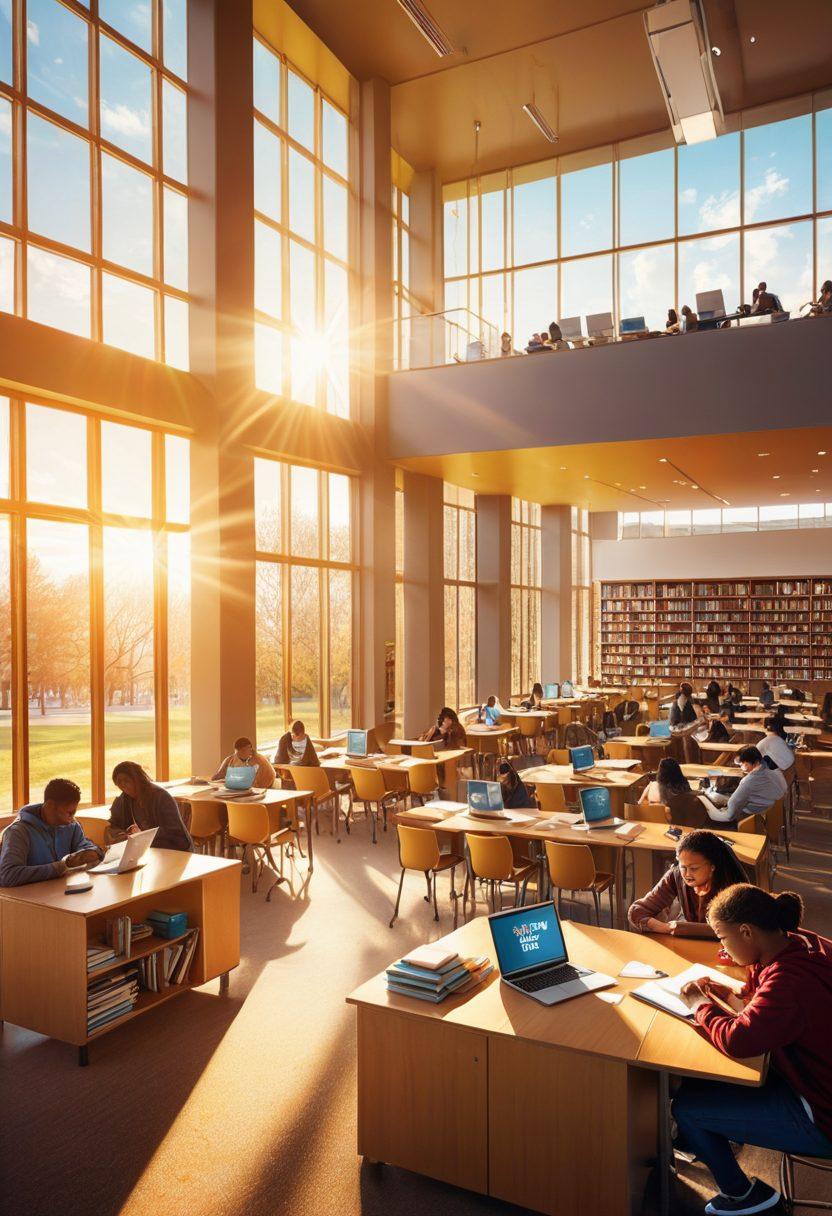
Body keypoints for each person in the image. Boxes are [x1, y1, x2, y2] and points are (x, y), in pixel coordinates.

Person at [673, 886, 832, 1216]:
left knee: (688, 1108)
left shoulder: (790, 980)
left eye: (723, 938)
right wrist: (732, 995)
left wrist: (700, 1005)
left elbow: (738, 1041)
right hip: (814, 1077)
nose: (723, 948)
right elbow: (767, 993)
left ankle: (745, 1197)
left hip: (822, 1113)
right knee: (699, 1088)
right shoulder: (798, 941)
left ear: (746, 931)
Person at [628, 829, 747, 936]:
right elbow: (637, 911)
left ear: (712, 866)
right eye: (683, 867)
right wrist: (667, 928)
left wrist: (682, 928)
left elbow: (732, 929)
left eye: (694, 868)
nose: (687, 874)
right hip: (689, 941)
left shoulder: (731, 886)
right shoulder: (676, 876)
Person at [0, 778, 103, 887]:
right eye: (69, 813)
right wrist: (62, 866)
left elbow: (83, 846)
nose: (72, 819)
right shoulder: (18, 832)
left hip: (62, 895)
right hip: (29, 901)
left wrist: (94, 852)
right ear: (50, 806)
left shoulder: (71, 826)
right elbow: (8, 876)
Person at [107, 762, 192, 852]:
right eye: (119, 782)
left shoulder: (160, 796)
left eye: (126, 780)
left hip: (174, 848)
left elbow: (174, 832)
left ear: (137, 779)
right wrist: (123, 834)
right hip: (146, 847)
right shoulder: (125, 799)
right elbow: (113, 824)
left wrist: (143, 834)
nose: (123, 785)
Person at [706, 746, 787, 822]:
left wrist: (708, 805)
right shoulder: (768, 764)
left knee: (709, 817)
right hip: (777, 807)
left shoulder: (749, 782)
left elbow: (729, 815)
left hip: (755, 816)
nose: (740, 767)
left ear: (754, 762)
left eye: (741, 764)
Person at [639, 757, 725, 826]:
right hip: (682, 820)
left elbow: (640, 804)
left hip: (658, 822)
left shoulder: (652, 786)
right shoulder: (682, 787)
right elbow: (689, 796)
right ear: (678, 771)